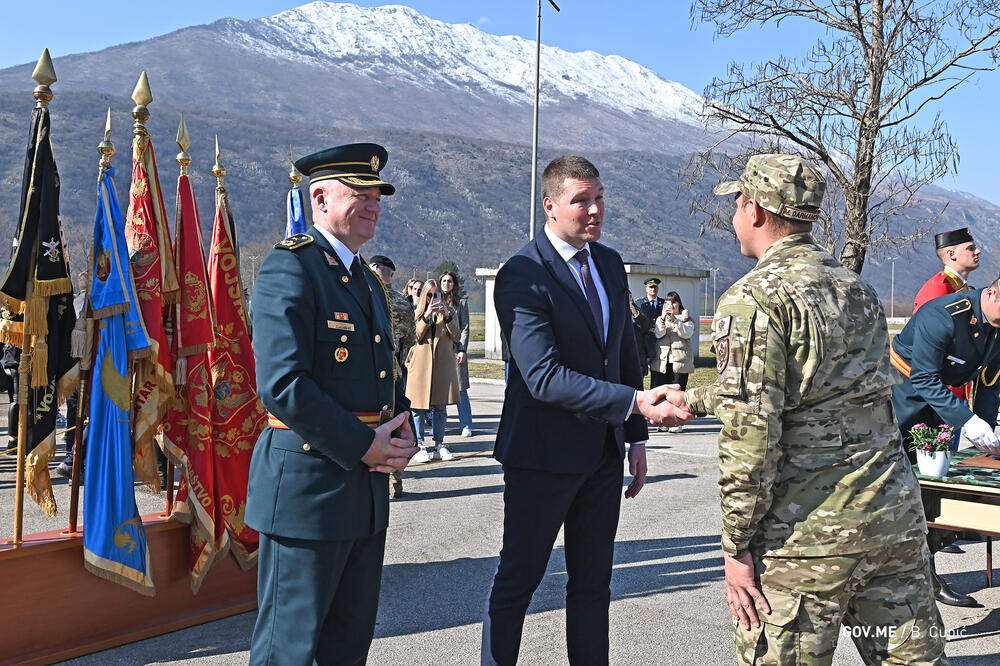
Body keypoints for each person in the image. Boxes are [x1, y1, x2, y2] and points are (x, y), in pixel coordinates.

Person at [659, 154, 946, 664]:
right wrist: (694, 400)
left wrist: (736, 547)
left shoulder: (755, 298)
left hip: (807, 541)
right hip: (890, 524)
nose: (734, 218)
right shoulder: (856, 290)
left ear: (756, 211)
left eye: (737, 205)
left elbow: (752, 438)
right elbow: (826, 393)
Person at [482, 155, 692, 665]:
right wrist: (636, 403)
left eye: (599, 198)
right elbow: (543, 377)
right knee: (519, 581)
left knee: (594, 584)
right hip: (541, 456)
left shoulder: (607, 263)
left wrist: (636, 435)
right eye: (582, 200)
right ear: (550, 206)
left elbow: (622, 355)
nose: (595, 210)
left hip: (601, 454)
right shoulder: (522, 275)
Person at [245, 142, 418, 665]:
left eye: (377, 195)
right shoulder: (291, 269)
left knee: (347, 647)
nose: (373, 204)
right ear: (319, 198)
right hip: (309, 491)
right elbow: (282, 384)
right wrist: (365, 445)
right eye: (359, 193)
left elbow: (380, 373)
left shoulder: (365, 279)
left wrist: (402, 423)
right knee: (288, 651)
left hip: (363, 495)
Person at [889, 281, 1000, 607]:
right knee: (899, 486)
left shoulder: (996, 323)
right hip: (901, 398)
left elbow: (990, 383)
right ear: (993, 294)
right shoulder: (945, 315)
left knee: (933, 488)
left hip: (940, 402)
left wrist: (987, 437)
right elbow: (923, 377)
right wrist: (968, 422)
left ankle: (927, 575)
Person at [370, 254, 417, 499]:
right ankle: (395, 478)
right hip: (394, 371)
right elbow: (410, 340)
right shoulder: (401, 302)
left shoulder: (363, 295)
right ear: (390, 274)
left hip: (366, 374)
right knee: (397, 421)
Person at [405, 278, 461, 462]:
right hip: (421, 366)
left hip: (442, 365)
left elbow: (456, 336)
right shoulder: (416, 312)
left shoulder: (449, 312)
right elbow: (415, 336)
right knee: (418, 408)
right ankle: (420, 445)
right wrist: (426, 316)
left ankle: (439, 444)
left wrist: (448, 317)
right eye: (429, 294)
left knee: (440, 407)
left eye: (437, 294)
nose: (433, 298)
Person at [652, 290, 695, 433]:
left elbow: (686, 333)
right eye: (667, 302)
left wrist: (675, 320)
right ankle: (662, 422)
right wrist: (664, 319)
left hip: (680, 362)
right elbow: (658, 333)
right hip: (663, 362)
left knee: (678, 394)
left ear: (678, 304)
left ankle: (678, 423)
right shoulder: (660, 318)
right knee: (662, 394)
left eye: (673, 302)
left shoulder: (686, 319)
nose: (670, 305)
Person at [913, 227, 980, 312]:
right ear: (951, 254)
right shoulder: (939, 288)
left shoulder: (957, 285)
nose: (978, 251)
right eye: (971, 248)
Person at [441, 270, 474, 437]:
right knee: (440, 390)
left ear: (454, 284)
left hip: (456, 349)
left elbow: (465, 328)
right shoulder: (435, 300)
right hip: (440, 351)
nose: (447, 284)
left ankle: (466, 424)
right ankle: (440, 425)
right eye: (444, 281)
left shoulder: (461, 303)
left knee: (461, 389)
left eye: (450, 281)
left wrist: (462, 349)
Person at [635, 277, 664, 387]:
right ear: (646, 288)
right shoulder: (639, 303)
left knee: (658, 372)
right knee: (641, 370)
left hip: (659, 340)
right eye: (651, 287)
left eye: (655, 287)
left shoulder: (663, 303)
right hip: (644, 341)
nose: (653, 289)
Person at [628, 291, 652, 378]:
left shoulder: (637, 310)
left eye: (630, 297)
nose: (628, 300)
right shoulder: (615, 312)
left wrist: (635, 313)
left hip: (638, 356)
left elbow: (646, 327)